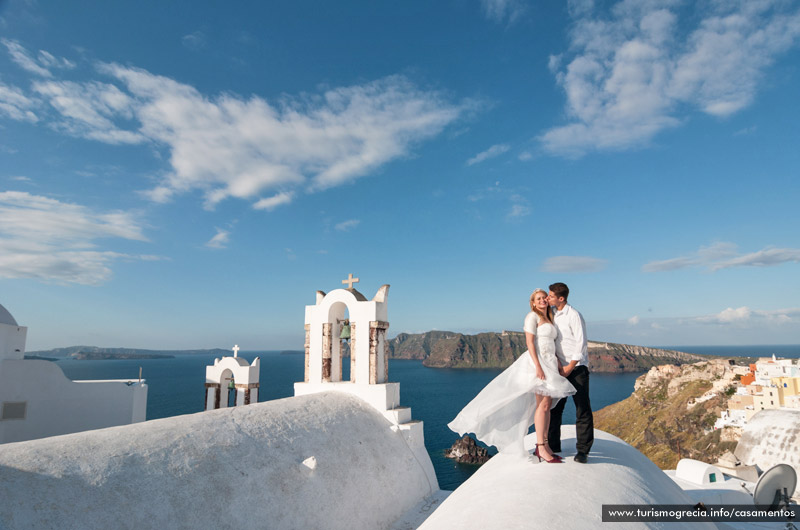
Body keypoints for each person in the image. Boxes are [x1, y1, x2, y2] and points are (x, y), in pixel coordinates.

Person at [448, 289, 576, 460]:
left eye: (544, 297)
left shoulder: (550, 317)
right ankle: (540, 447)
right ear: (533, 303)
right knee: (543, 405)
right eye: (538, 299)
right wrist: (538, 367)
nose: (542, 300)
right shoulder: (532, 317)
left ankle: (545, 445)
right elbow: (530, 343)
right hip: (538, 363)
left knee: (546, 406)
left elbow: (551, 343)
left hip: (550, 363)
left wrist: (557, 362)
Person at [546, 282, 594, 464]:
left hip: (576, 369)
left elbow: (581, 344)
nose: (548, 298)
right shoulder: (554, 314)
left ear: (561, 298)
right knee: (555, 408)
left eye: (551, 296)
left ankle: (583, 450)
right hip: (559, 368)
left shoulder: (573, 315)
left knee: (582, 409)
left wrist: (569, 367)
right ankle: (553, 445)